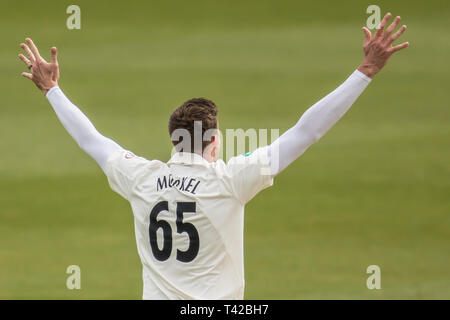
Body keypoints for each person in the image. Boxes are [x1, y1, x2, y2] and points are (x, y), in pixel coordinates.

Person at [18, 13, 408, 299]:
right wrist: (366, 70)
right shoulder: (230, 181)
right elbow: (306, 132)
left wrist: (52, 89)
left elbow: (91, 139)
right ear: (214, 142)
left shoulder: (140, 178)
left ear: (174, 140)